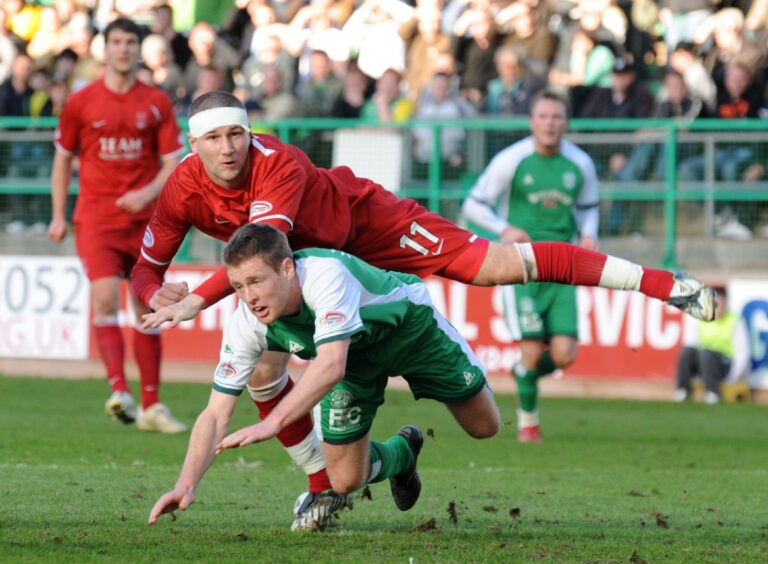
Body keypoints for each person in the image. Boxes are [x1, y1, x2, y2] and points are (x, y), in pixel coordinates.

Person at [131, 87, 714, 526]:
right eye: (214, 138)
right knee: (262, 369)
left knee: (494, 268)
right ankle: (326, 483)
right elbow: (146, 267)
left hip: (363, 227)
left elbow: (266, 250)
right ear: (193, 145)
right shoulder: (183, 188)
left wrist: (198, 302)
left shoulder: (276, 163)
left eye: (236, 133)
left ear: (250, 132)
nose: (229, 147)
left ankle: (662, 284)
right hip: (304, 271)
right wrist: (152, 295)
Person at [147, 223, 502, 528]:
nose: (249, 297)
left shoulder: (325, 274)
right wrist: (187, 483)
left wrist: (273, 423)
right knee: (344, 480)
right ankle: (402, 455)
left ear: (287, 269)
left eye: (256, 281)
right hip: (354, 360)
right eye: (239, 286)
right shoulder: (246, 323)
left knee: (485, 427)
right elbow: (215, 414)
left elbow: (331, 364)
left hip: (410, 330)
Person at [47, 18, 186, 433]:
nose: (124, 49)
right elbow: (62, 160)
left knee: (147, 307)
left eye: (130, 42)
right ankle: (119, 389)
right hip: (96, 219)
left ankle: (151, 405)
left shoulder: (156, 101)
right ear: (104, 49)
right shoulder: (80, 102)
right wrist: (57, 214)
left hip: (145, 222)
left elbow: (171, 162)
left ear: (138, 50)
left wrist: (146, 195)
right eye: (117, 42)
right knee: (105, 298)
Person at [461, 89, 598, 443]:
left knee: (565, 356)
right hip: (523, 268)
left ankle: (524, 373)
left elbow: (588, 206)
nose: (550, 124)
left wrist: (589, 233)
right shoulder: (512, 160)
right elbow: (475, 204)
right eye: (543, 117)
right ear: (532, 121)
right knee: (534, 350)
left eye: (556, 117)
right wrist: (504, 229)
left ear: (566, 122)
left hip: (564, 270)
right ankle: (529, 425)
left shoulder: (580, 164)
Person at [675, 287, 742, 404]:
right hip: (704, 361)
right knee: (687, 351)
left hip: (723, 364)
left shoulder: (735, 320)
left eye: (721, 304)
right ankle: (683, 391)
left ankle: (713, 393)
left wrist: (732, 378)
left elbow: (742, 354)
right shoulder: (702, 317)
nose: (718, 307)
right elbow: (691, 342)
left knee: (706, 354)